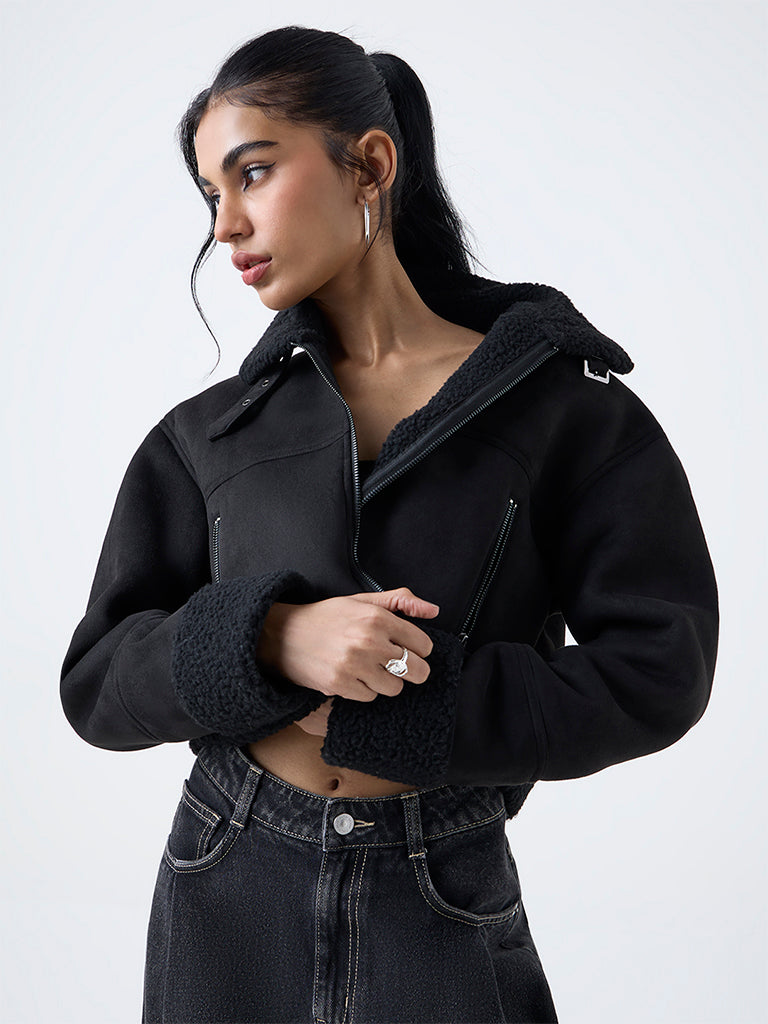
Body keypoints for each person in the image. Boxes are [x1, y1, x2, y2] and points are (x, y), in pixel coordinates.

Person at [59, 24, 719, 1024]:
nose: (226, 225)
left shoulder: (566, 414)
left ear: (369, 164)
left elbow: (659, 669)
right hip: (228, 874)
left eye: (253, 172)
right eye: (209, 194)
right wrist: (272, 638)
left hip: (439, 884)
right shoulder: (207, 435)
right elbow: (98, 683)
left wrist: (415, 704)